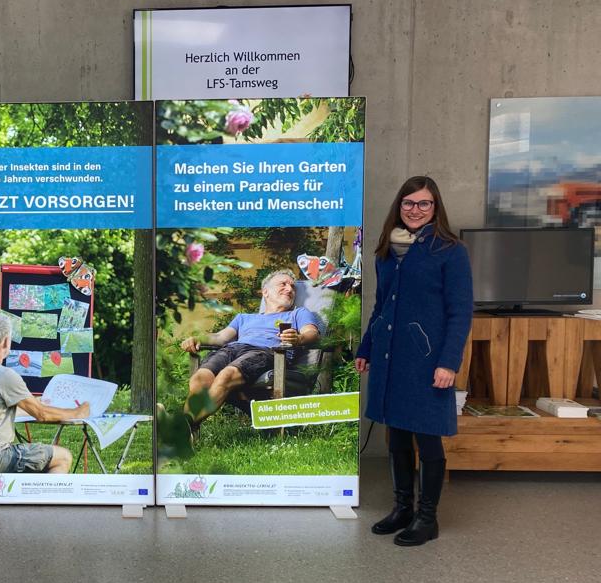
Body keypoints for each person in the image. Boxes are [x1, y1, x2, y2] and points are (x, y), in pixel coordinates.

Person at [355, 175, 473, 547]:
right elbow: (381, 305)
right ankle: (402, 508)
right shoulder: (386, 252)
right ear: (399, 207)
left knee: (428, 438)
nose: (416, 210)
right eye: (409, 203)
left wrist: (448, 363)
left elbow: (460, 312)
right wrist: (366, 347)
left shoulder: (450, 251)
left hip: (426, 362)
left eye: (424, 204)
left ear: (435, 208)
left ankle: (427, 517)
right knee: (397, 436)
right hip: (391, 359)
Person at [180, 268, 321, 425]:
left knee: (226, 375)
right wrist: (197, 338)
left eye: (292, 287)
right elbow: (220, 337)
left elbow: (312, 333)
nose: (289, 289)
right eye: (283, 284)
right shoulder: (243, 318)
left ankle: (182, 425)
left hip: (265, 352)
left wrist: (299, 338)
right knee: (199, 379)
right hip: (232, 349)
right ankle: (185, 430)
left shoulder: (298, 313)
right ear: (265, 292)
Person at [0, 312, 88, 474]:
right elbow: (42, 415)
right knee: (63, 456)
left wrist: (33, 402)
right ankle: (44, 499)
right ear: (6, 342)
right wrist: (76, 413)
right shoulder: (4, 375)